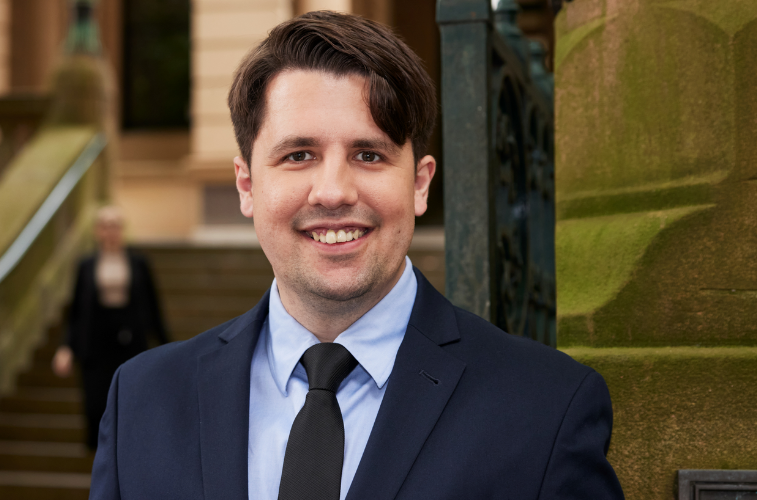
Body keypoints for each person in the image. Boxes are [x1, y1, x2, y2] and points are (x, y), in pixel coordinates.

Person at [90, 11, 623, 500]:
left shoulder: (546, 409)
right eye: (299, 155)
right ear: (247, 184)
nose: (333, 192)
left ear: (419, 183)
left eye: (369, 155)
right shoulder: (142, 400)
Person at [52, 206, 168, 450]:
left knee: (131, 400)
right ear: (98, 231)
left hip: (130, 340)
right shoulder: (86, 265)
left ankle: (128, 454)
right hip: (95, 343)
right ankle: (98, 458)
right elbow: (76, 311)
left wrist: (168, 347)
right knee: (96, 403)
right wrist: (66, 347)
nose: (111, 231)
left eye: (115, 225)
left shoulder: (138, 263)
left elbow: (153, 307)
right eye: (106, 225)